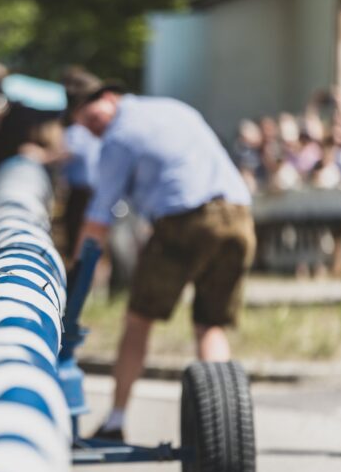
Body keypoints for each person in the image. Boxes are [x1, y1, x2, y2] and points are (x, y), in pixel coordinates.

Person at [71, 84, 255, 441]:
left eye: (93, 120)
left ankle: (115, 421)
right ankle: (219, 432)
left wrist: (76, 279)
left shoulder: (119, 137)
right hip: (239, 217)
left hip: (185, 221)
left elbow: (98, 218)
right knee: (210, 325)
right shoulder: (173, 107)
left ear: (109, 97)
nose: (94, 130)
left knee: (138, 321)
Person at [60, 68, 103, 256]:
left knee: (80, 236)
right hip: (90, 189)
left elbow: (70, 152)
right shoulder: (88, 127)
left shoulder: (79, 127)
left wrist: (42, 156)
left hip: (84, 191)